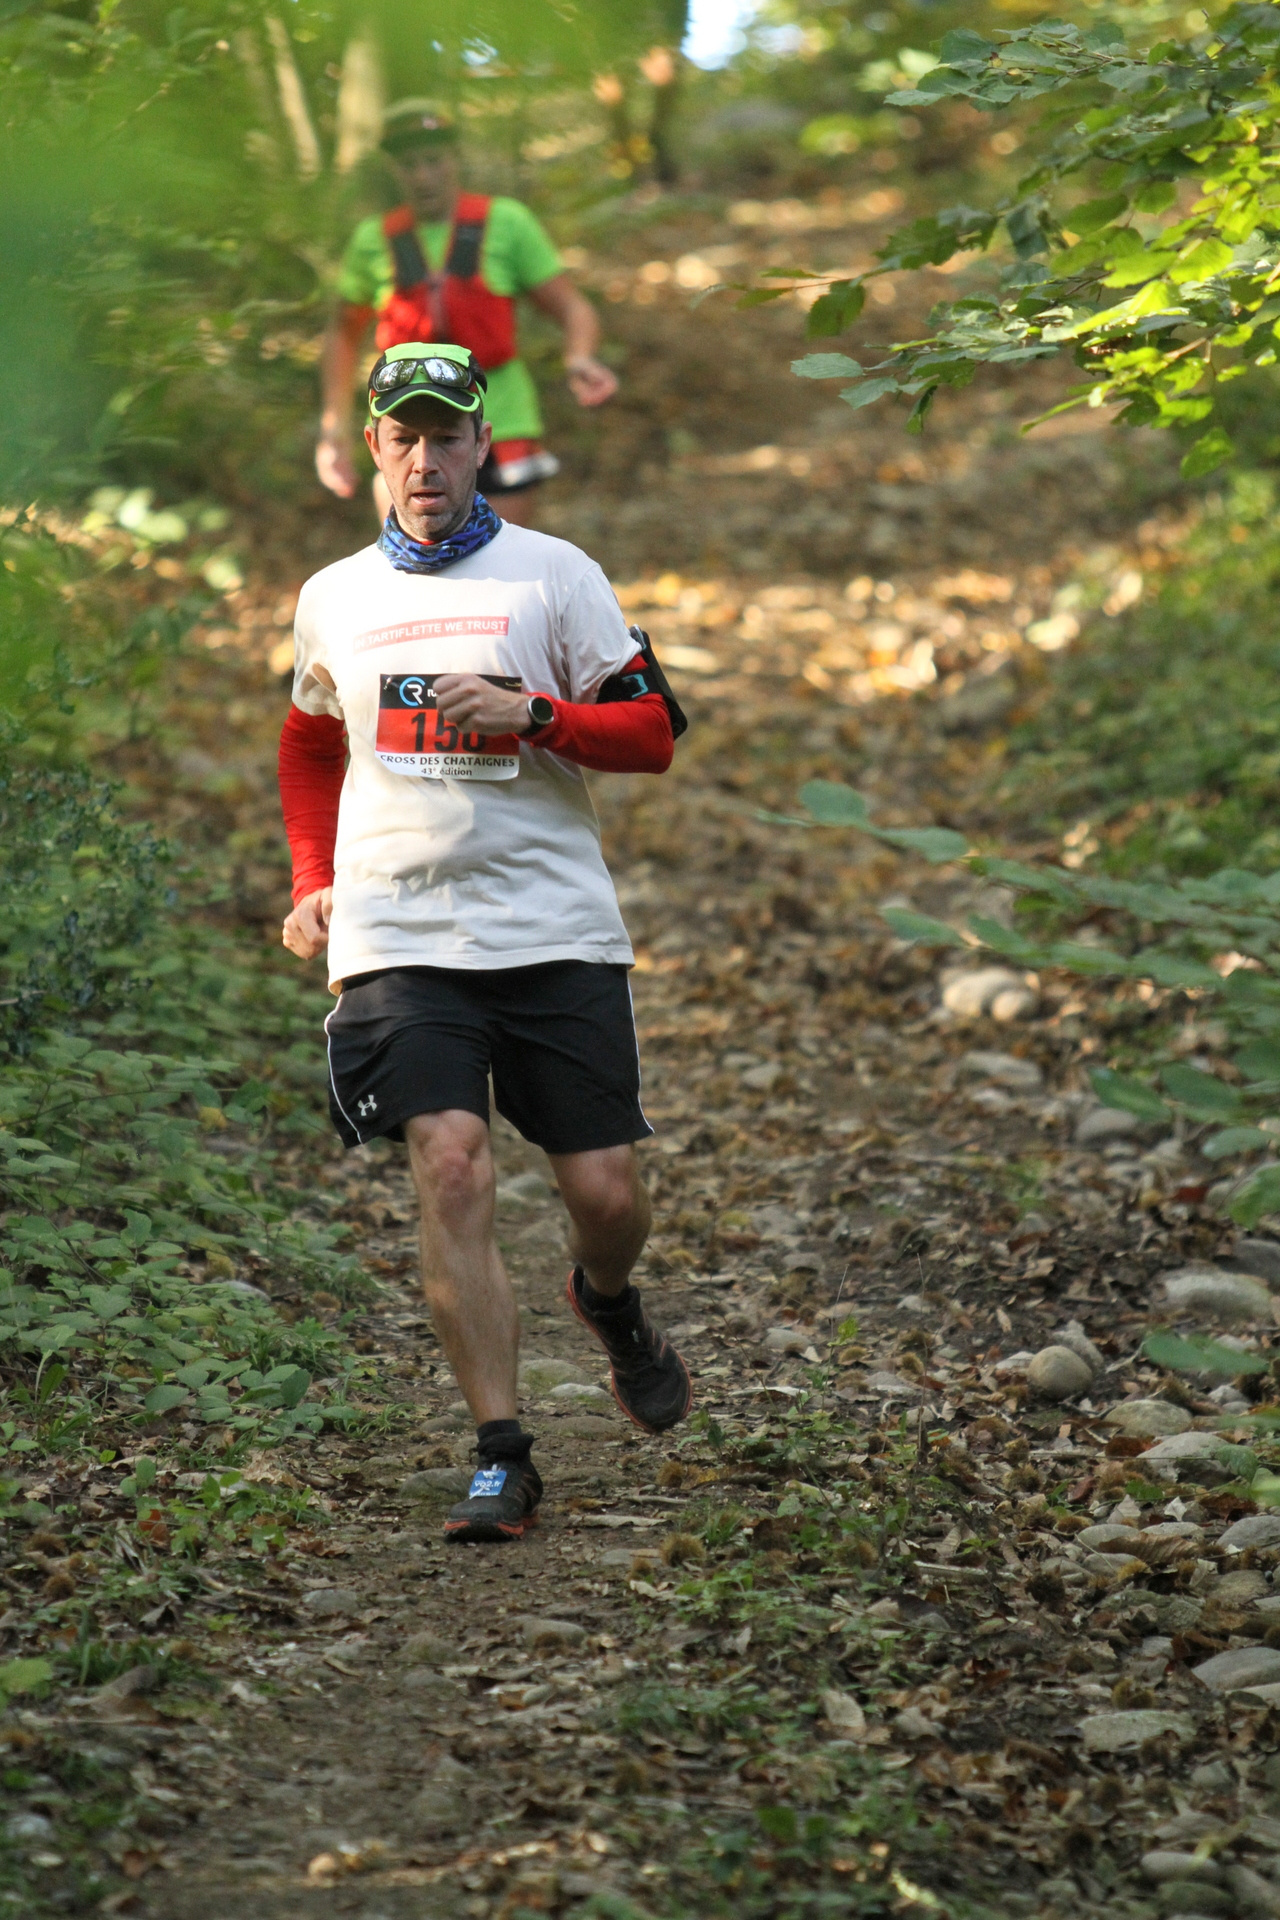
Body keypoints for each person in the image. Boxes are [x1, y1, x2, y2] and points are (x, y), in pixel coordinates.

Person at [279, 341, 693, 1544]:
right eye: (402, 438)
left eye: (444, 436)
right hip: (400, 930)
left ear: (480, 446)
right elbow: (309, 740)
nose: (424, 459)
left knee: (602, 1193)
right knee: (449, 1162)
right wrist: (314, 880)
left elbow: (654, 733)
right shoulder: (332, 595)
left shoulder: (554, 575)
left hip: (550, 924)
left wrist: (536, 715)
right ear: (373, 448)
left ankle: (606, 1300)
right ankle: (500, 1456)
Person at [316, 99, 617, 527]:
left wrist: (580, 357)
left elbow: (571, 306)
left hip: (501, 420)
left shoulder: (507, 222)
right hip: (406, 423)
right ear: (392, 170)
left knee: (502, 560)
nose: (423, 176)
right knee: (413, 562)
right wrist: (334, 427)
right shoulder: (373, 239)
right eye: (409, 165)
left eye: (433, 160)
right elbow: (342, 334)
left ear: (454, 158)